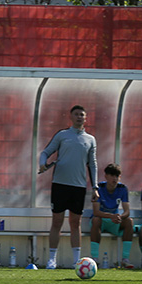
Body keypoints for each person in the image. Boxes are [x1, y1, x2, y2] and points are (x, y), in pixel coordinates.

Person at [39, 105, 98, 269]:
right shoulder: (62, 135)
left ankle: (76, 261)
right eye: (77, 114)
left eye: (82, 115)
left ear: (86, 118)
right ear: (71, 117)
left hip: (78, 187)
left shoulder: (90, 139)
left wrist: (95, 187)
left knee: (75, 223)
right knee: (57, 221)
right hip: (59, 185)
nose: (79, 117)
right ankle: (52, 260)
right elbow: (45, 152)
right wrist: (42, 164)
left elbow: (92, 164)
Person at [90, 163, 135, 269]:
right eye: (112, 175)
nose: (115, 179)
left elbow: (127, 211)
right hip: (101, 220)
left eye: (117, 176)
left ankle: (125, 259)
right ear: (106, 176)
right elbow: (96, 212)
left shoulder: (123, 188)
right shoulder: (99, 188)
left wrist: (120, 217)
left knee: (129, 221)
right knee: (96, 220)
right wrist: (111, 216)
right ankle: (95, 259)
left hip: (114, 221)